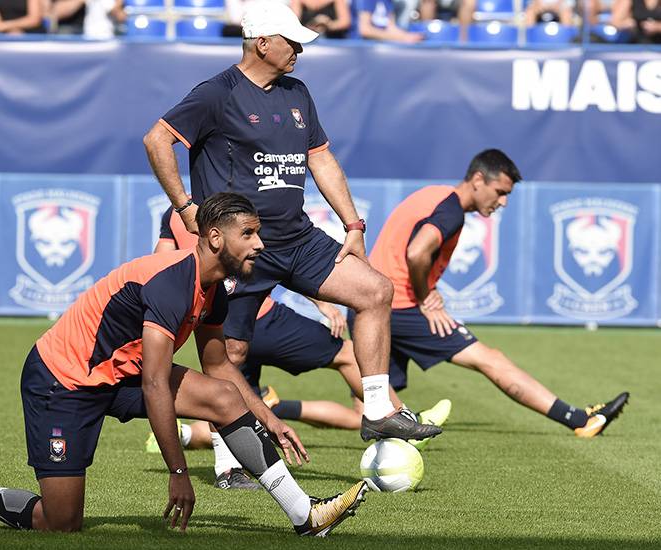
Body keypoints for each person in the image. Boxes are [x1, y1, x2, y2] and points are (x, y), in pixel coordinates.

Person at [0, 193, 368, 536]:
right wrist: (178, 473)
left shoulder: (215, 291)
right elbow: (154, 386)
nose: (259, 244)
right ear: (214, 237)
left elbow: (221, 368)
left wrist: (268, 418)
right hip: (62, 380)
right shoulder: (172, 283)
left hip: (123, 373)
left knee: (225, 397)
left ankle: (304, 516)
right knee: (61, 523)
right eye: (248, 233)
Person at [143, 0, 439, 444]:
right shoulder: (216, 93)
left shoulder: (298, 93)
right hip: (242, 251)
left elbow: (320, 159)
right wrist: (186, 209)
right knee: (230, 352)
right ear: (261, 43)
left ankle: (377, 409)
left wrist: (353, 226)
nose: (300, 48)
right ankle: (229, 456)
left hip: (298, 239)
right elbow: (157, 139)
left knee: (376, 291)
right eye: (291, 40)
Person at [149, 206, 450, 489]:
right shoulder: (236, 210)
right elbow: (280, 262)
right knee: (347, 355)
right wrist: (321, 300)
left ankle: (213, 453)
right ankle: (395, 415)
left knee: (229, 399)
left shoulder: (177, 212)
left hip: (216, 317)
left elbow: (160, 263)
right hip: (256, 316)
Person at [355, 149, 629, 438]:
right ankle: (580, 420)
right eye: (499, 192)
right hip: (401, 306)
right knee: (490, 359)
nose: (503, 202)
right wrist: (426, 298)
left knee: (370, 412)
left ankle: (300, 412)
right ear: (477, 179)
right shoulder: (450, 210)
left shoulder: (433, 195)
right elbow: (417, 252)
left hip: (372, 308)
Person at [357, 0, 424, 42]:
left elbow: (391, 27)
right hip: (362, 48)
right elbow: (365, 30)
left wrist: (408, 36)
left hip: (382, 46)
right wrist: (402, 38)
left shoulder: (388, 1)